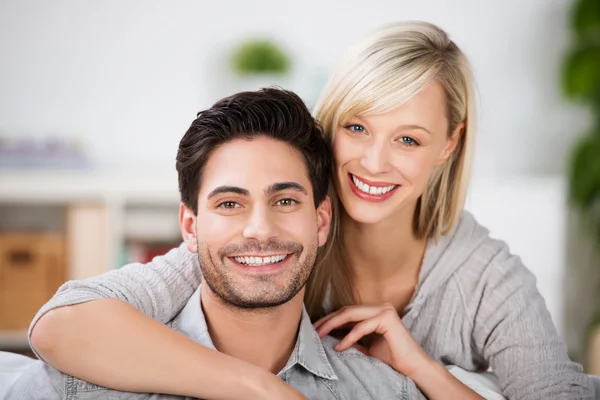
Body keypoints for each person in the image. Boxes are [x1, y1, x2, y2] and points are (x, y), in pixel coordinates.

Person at [28, 21, 594, 400]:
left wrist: (424, 370)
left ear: (449, 145)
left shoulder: (486, 278)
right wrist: (265, 389)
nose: (374, 163)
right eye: (357, 127)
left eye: (408, 140)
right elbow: (64, 325)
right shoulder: (273, 234)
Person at [7, 88, 430, 400]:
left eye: (285, 200)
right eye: (230, 203)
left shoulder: (384, 392)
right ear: (190, 227)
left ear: (320, 221)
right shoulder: (77, 385)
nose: (259, 230)